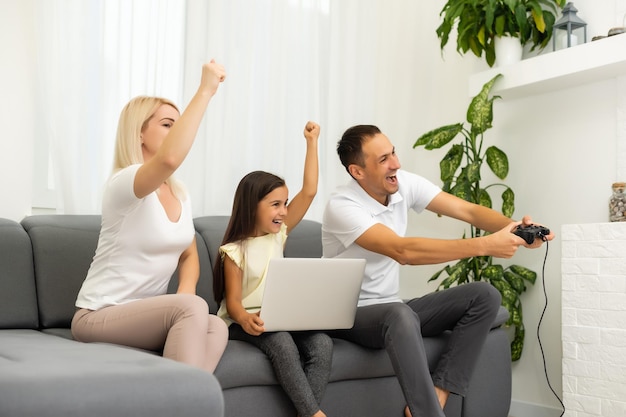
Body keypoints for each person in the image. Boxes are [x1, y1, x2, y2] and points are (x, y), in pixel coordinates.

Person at [322, 125, 554, 417]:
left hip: (391, 310)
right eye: (383, 159)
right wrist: (485, 245)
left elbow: (468, 211)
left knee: (484, 295)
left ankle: (439, 391)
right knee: (399, 313)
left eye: (392, 152)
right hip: (349, 316)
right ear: (357, 172)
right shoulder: (342, 207)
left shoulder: (401, 183)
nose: (396, 163)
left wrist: (517, 230)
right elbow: (402, 251)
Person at [71, 60, 228, 373]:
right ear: (139, 133)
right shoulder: (125, 183)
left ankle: (183, 400)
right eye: (169, 125)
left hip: (144, 316)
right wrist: (206, 90)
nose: (177, 132)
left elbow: (188, 253)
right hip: (99, 315)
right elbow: (170, 158)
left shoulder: (180, 194)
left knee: (215, 326)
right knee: (194, 310)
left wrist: (186, 297)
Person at [212, 122, 332, 417]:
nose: (283, 211)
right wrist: (246, 319)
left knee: (322, 343)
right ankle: (314, 414)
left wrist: (312, 142)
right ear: (252, 206)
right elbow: (234, 305)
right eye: (275, 204)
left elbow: (311, 190)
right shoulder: (234, 251)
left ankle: (307, 412)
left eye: (285, 204)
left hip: (281, 317)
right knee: (282, 344)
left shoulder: (279, 235)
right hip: (246, 324)